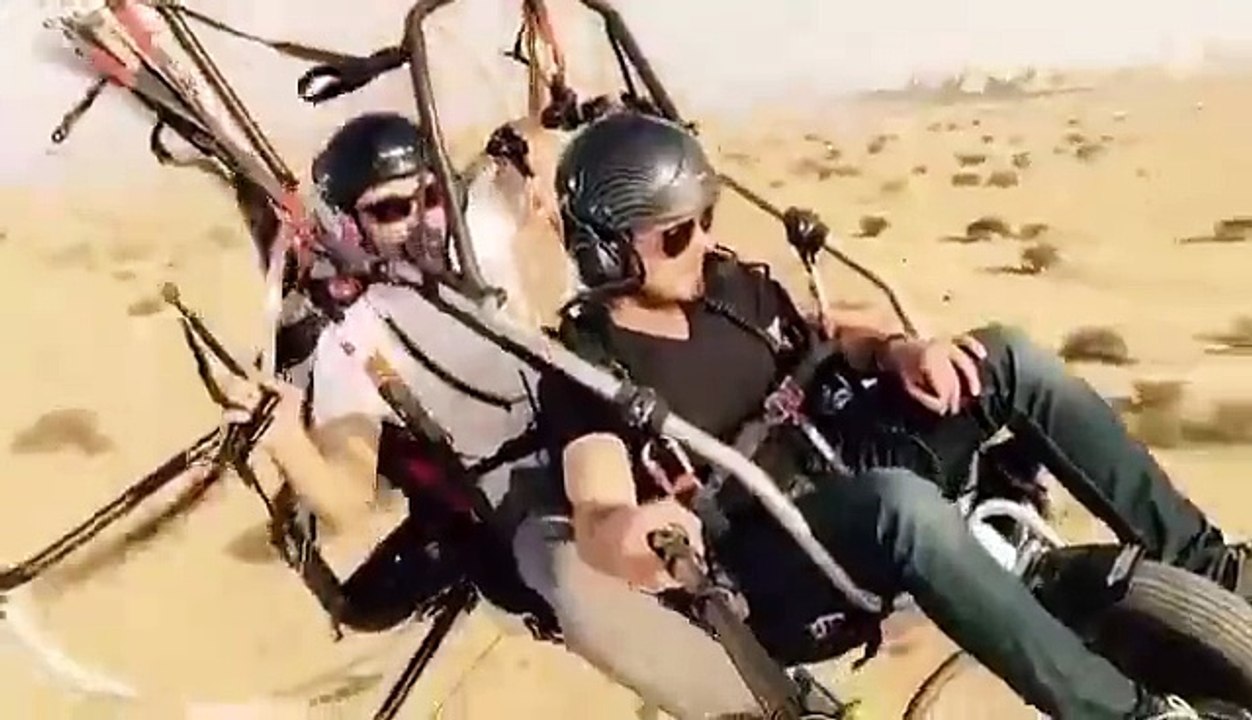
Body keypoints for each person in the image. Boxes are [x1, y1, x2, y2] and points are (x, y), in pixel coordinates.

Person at [520, 110, 1250, 720]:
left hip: (851, 459)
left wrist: (902, 351)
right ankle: (1125, 714)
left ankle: (1215, 569)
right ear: (605, 252)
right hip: (779, 557)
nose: (703, 241)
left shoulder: (723, 285)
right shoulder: (589, 366)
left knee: (1007, 357)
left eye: (704, 219)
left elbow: (834, 332)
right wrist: (636, 534)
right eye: (676, 234)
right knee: (901, 507)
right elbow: (599, 510)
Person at [237, 111, 558, 634]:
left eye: (430, 198)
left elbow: (532, 141)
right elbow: (348, 499)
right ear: (351, 228)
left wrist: (542, 124)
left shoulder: (476, 225)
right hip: (512, 512)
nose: (420, 221)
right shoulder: (355, 340)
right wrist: (287, 438)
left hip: (583, 433)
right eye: (390, 209)